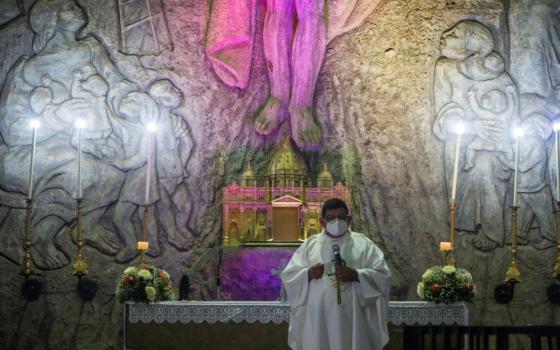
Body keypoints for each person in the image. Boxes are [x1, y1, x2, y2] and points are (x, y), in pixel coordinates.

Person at [280, 198, 390, 350]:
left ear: (349, 219)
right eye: (331, 219)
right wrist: (307, 275)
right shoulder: (311, 245)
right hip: (318, 317)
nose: (336, 222)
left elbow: (382, 274)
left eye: (341, 217)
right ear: (322, 222)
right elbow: (289, 276)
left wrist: (357, 275)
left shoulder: (363, 244)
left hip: (354, 317)